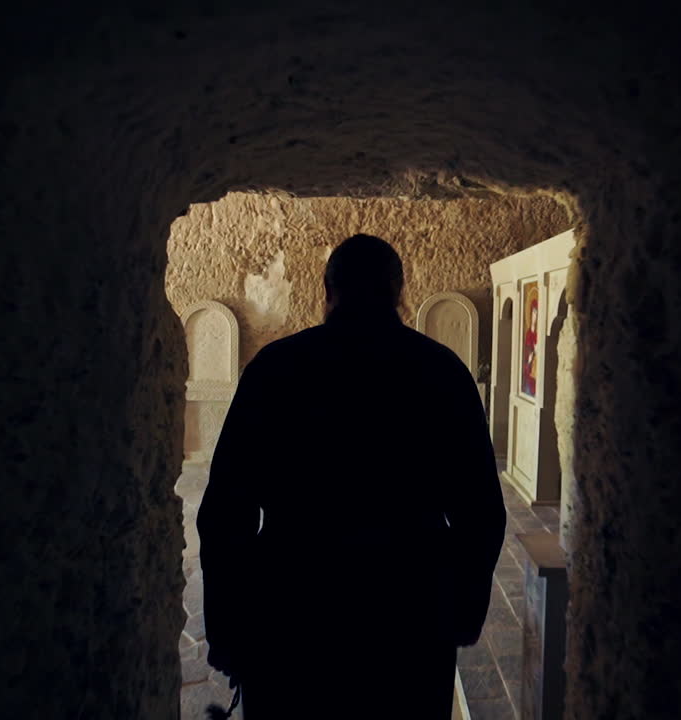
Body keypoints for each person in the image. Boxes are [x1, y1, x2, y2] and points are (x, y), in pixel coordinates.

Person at [196, 234, 507, 718]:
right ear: (399, 291)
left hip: (295, 607)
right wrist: (462, 610)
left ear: (327, 291)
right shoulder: (440, 372)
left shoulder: (277, 369)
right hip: (409, 611)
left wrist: (227, 626)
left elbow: (225, 512)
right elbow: (480, 511)